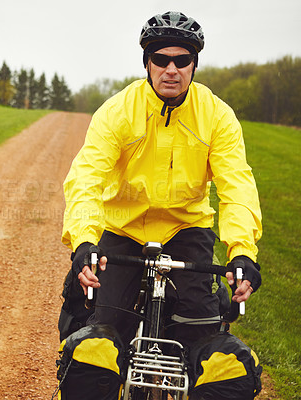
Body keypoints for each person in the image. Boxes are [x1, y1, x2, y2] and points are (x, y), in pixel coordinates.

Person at [61, 11, 262, 350]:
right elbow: (86, 177)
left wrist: (242, 252)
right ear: (147, 63)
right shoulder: (118, 111)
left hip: (186, 229)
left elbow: (237, 186)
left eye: (182, 60)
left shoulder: (217, 116)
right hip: (122, 228)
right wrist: (84, 242)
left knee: (199, 332)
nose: (172, 69)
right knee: (105, 332)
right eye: (161, 59)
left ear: (194, 65)